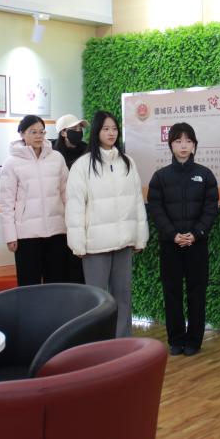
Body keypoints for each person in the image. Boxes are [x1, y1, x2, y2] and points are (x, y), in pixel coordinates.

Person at [66, 111, 148, 338]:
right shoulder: (82, 165)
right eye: (106, 129)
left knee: (123, 296)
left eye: (114, 129)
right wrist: (77, 243)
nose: (111, 133)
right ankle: (99, 344)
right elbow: (75, 206)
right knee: (97, 299)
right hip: (96, 245)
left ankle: (123, 341)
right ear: (96, 132)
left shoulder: (127, 162)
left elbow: (137, 201)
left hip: (124, 241)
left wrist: (140, 237)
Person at [146, 122, 219, 356]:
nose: (183, 146)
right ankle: (176, 339)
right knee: (172, 292)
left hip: (197, 244)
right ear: (171, 145)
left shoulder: (205, 175)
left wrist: (196, 234)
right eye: (178, 141)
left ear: (195, 146)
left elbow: (210, 209)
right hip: (171, 245)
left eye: (188, 141)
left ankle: (194, 340)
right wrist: (173, 234)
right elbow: (156, 209)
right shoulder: (160, 177)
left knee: (197, 293)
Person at [0, 115, 68, 286]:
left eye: (42, 132)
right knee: (29, 285)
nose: (38, 136)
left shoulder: (57, 158)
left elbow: (67, 194)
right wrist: (10, 235)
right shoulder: (11, 163)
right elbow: (6, 203)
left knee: (56, 284)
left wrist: (72, 227)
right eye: (33, 132)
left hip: (57, 231)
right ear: (22, 133)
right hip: (26, 235)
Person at [51, 113, 88, 283]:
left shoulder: (87, 150)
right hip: (59, 215)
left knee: (79, 263)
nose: (79, 131)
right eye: (74, 128)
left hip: (82, 212)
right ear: (63, 132)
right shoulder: (52, 154)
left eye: (80, 128)